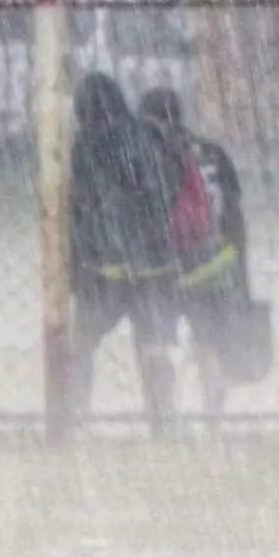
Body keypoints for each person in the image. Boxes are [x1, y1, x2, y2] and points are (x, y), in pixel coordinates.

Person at [68, 72, 183, 435]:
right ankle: (164, 423)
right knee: (154, 346)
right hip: (156, 263)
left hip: (108, 266)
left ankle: (74, 418)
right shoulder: (152, 134)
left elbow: (82, 205)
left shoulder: (86, 143)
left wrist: (80, 259)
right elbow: (173, 185)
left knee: (79, 344)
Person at [138, 86, 248, 418]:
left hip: (168, 268)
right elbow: (234, 214)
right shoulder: (212, 153)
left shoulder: (149, 155)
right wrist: (240, 268)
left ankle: (166, 421)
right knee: (210, 345)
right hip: (214, 264)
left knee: (158, 344)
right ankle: (212, 423)